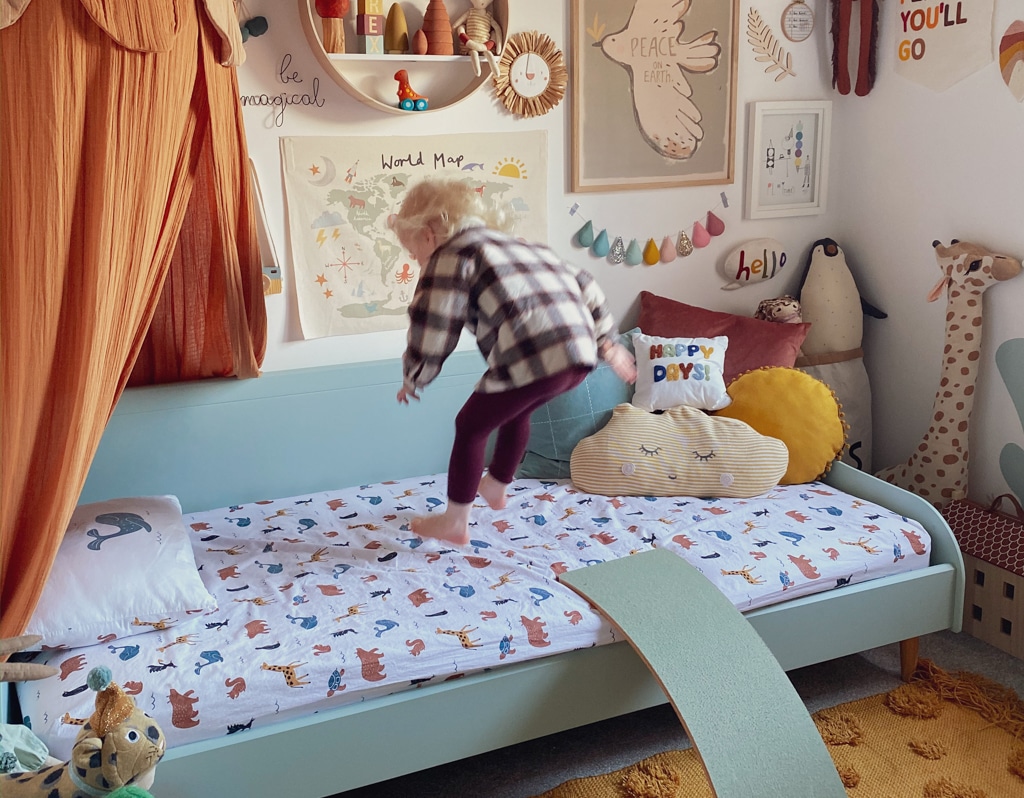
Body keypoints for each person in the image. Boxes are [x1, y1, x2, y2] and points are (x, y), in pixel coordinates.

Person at [391, 178, 636, 545]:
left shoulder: (451, 255)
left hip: (533, 352)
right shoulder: (521, 246)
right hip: (578, 354)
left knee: (470, 425)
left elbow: (434, 322)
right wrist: (607, 342)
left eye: (414, 253)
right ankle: (497, 484)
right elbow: (585, 281)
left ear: (428, 234)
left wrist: (415, 375)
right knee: (515, 410)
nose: (418, 262)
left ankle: (456, 520)